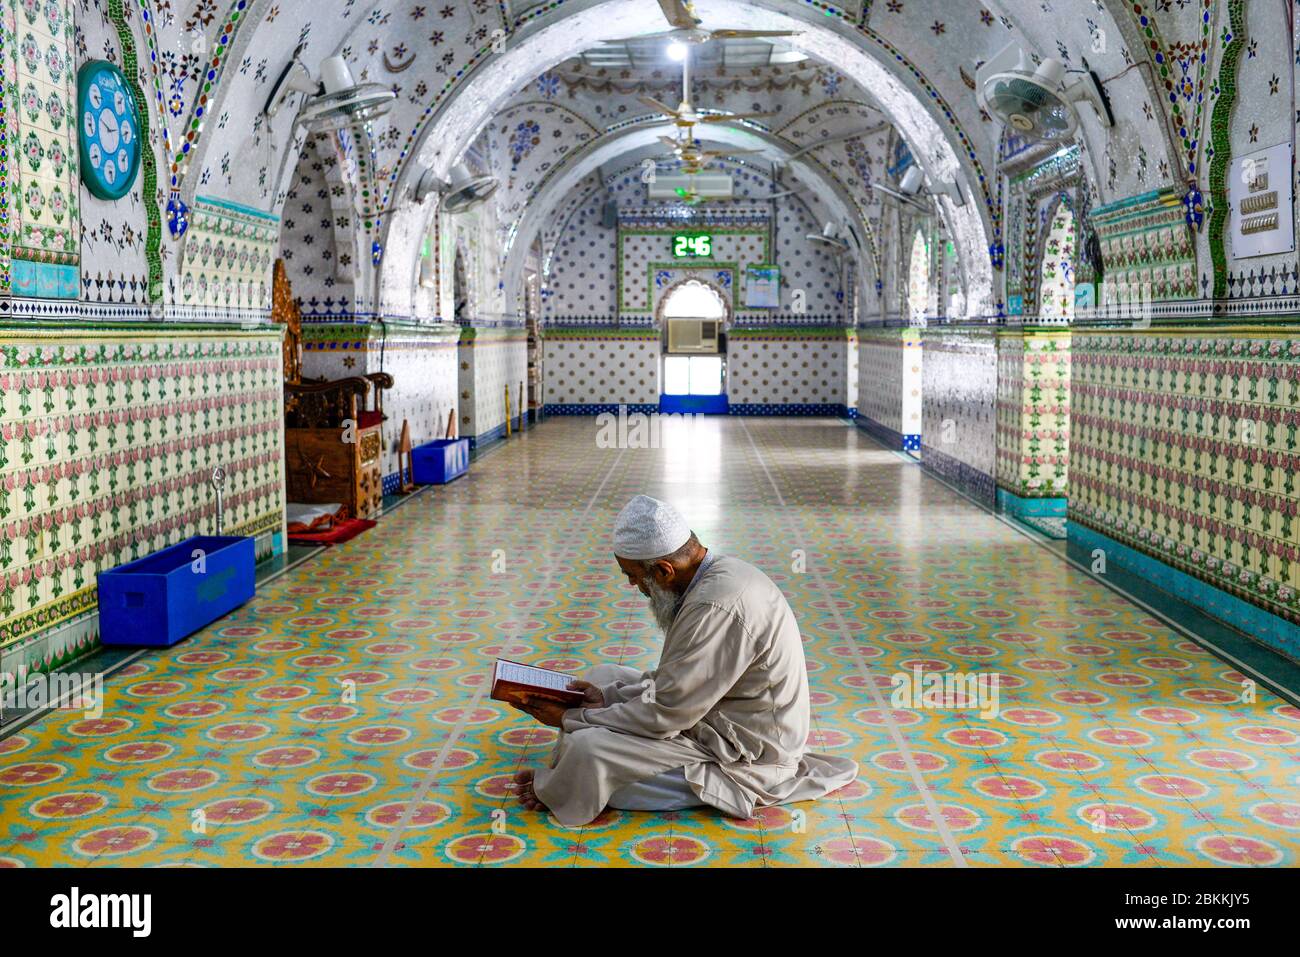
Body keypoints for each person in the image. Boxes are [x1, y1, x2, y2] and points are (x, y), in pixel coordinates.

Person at [510, 494, 859, 826]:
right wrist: (606, 700)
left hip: (745, 748)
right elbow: (677, 682)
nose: (633, 585)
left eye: (633, 575)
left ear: (663, 571)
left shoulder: (714, 606)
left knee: (589, 749)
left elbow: (667, 714)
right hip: (716, 713)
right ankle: (586, 755)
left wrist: (575, 717)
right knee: (604, 677)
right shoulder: (715, 574)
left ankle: (578, 778)